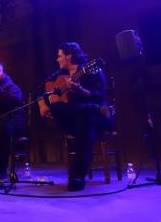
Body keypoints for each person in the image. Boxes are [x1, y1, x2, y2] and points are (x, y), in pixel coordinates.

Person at [38, 42, 113, 191]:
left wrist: (82, 91)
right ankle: (77, 175)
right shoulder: (59, 75)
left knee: (85, 119)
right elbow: (41, 89)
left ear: (69, 55)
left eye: (59, 56)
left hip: (97, 119)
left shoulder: (90, 70)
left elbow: (102, 96)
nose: (57, 60)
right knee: (59, 106)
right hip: (76, 120)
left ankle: (77, 176)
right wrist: (43, 105)